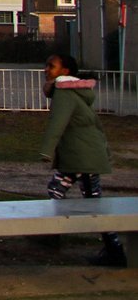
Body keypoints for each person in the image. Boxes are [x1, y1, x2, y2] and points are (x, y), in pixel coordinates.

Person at [41, 53, 125, 267]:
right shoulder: (75, 91)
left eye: (51, 66)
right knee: (86, 197)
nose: (46, 69)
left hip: (81, 156)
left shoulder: (65, 94)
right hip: (83, 154)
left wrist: (46, 151)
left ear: (65, 72)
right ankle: (113, 249)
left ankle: (113, 250)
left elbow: (57, 123)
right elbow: (96, 124)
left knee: (68, 194)